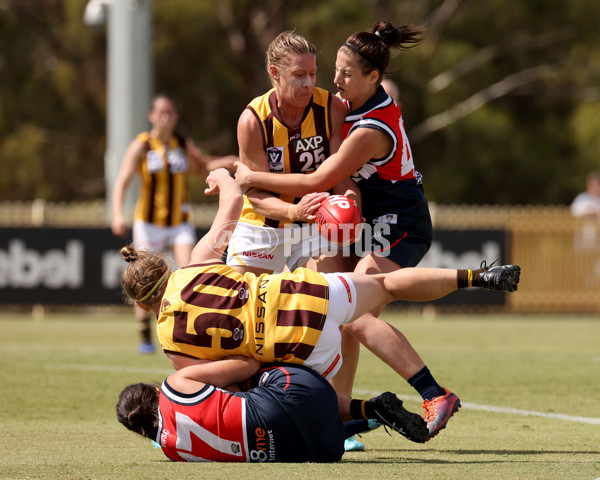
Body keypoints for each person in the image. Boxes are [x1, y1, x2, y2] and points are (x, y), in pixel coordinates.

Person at [119, 168, 521, 443]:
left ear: (140, 303)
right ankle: (478, 276)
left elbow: (240, 373)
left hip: (301, 345)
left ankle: (371, 412)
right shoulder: (196, 262)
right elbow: (231, 201)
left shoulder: (172, 347)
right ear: (164, 266)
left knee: (304, 400)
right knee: (385, 284)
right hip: (307, 293)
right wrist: (221, 177)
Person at [233, 21, 455, 442]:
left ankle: (435, 394)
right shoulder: (342, 104)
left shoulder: (372, 126)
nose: (333, 82)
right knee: (334, 309)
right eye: (331, 70)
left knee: (355, 314)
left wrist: (249, 180)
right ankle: (341, 414)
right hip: (360, 221)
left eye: (344, 74)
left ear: (374, 79)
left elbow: (323, 179)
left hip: (398, 226)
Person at [111, 92, 237, 354]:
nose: (166, 117)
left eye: (170, 112)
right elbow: (122, 180)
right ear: (151, 116)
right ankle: (145, 336)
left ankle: (189, 327)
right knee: (143, 276)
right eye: (161, 112)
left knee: (192, 269)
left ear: (176, 116)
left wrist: (224, 162)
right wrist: (116, 214)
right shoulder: (142, 145)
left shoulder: (181, 143)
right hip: (149, 222)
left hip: (179, 221)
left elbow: (201, 167)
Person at [116, 359, 427, 462]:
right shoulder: (174, 384)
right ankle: (369, 407)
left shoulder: (171, 451)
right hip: (303, 391)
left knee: (277, 428)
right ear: (155, 392)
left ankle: (368, 415)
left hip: (322, 450)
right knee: (258, 366)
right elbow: (247, 366)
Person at [226, 31, 355, 276]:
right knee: (239, 308)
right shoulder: (253, 121)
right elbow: (255, 194)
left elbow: (341, 178)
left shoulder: (331, 109)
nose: (309, 83)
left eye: (313, 74)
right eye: (299, 75)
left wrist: (350, 207)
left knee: (330, 302)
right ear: (275, 73)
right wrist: (294, 212)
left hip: (318, 224)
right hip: (264, 225)